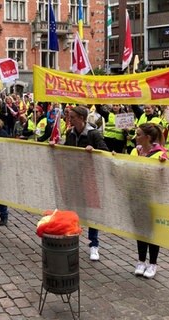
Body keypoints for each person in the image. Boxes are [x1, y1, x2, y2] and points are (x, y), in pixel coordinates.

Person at [60, 105, 109, 261]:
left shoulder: (94, 134)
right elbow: (66, 152)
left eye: (72, 116)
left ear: (81, 118)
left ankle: (94, 245)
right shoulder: (70, 133)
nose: (69, 119)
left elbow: (104, 152)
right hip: (73, 178)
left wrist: (93, 151)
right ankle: (71, 239)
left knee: (92, 213)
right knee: (72, 210)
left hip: (89, 179)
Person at [129, 123, 168, 278]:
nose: (135, 137)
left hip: (153, 198)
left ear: (148, 137)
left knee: (152, 231)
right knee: (140, 229)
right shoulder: (134, 151)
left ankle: (152, 263)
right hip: (136, 196)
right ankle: (141, 261)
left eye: (138, 134)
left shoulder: (160, 154)